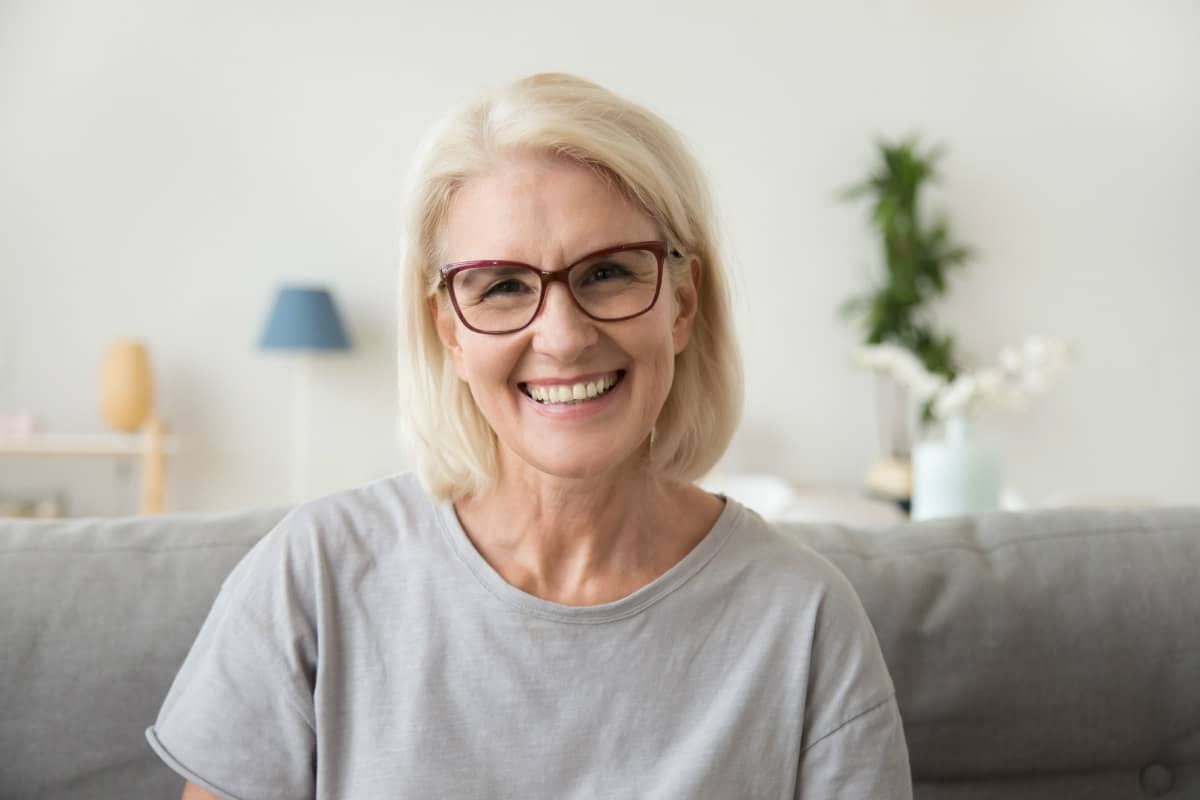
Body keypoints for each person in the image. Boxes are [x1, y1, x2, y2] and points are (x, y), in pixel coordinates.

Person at [147, 72, 911, 799]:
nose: (565, 337)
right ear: (449, 328)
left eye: (608, 272)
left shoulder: (805, 620)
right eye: (504, 286)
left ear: (681, 304)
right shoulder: (313, 575)